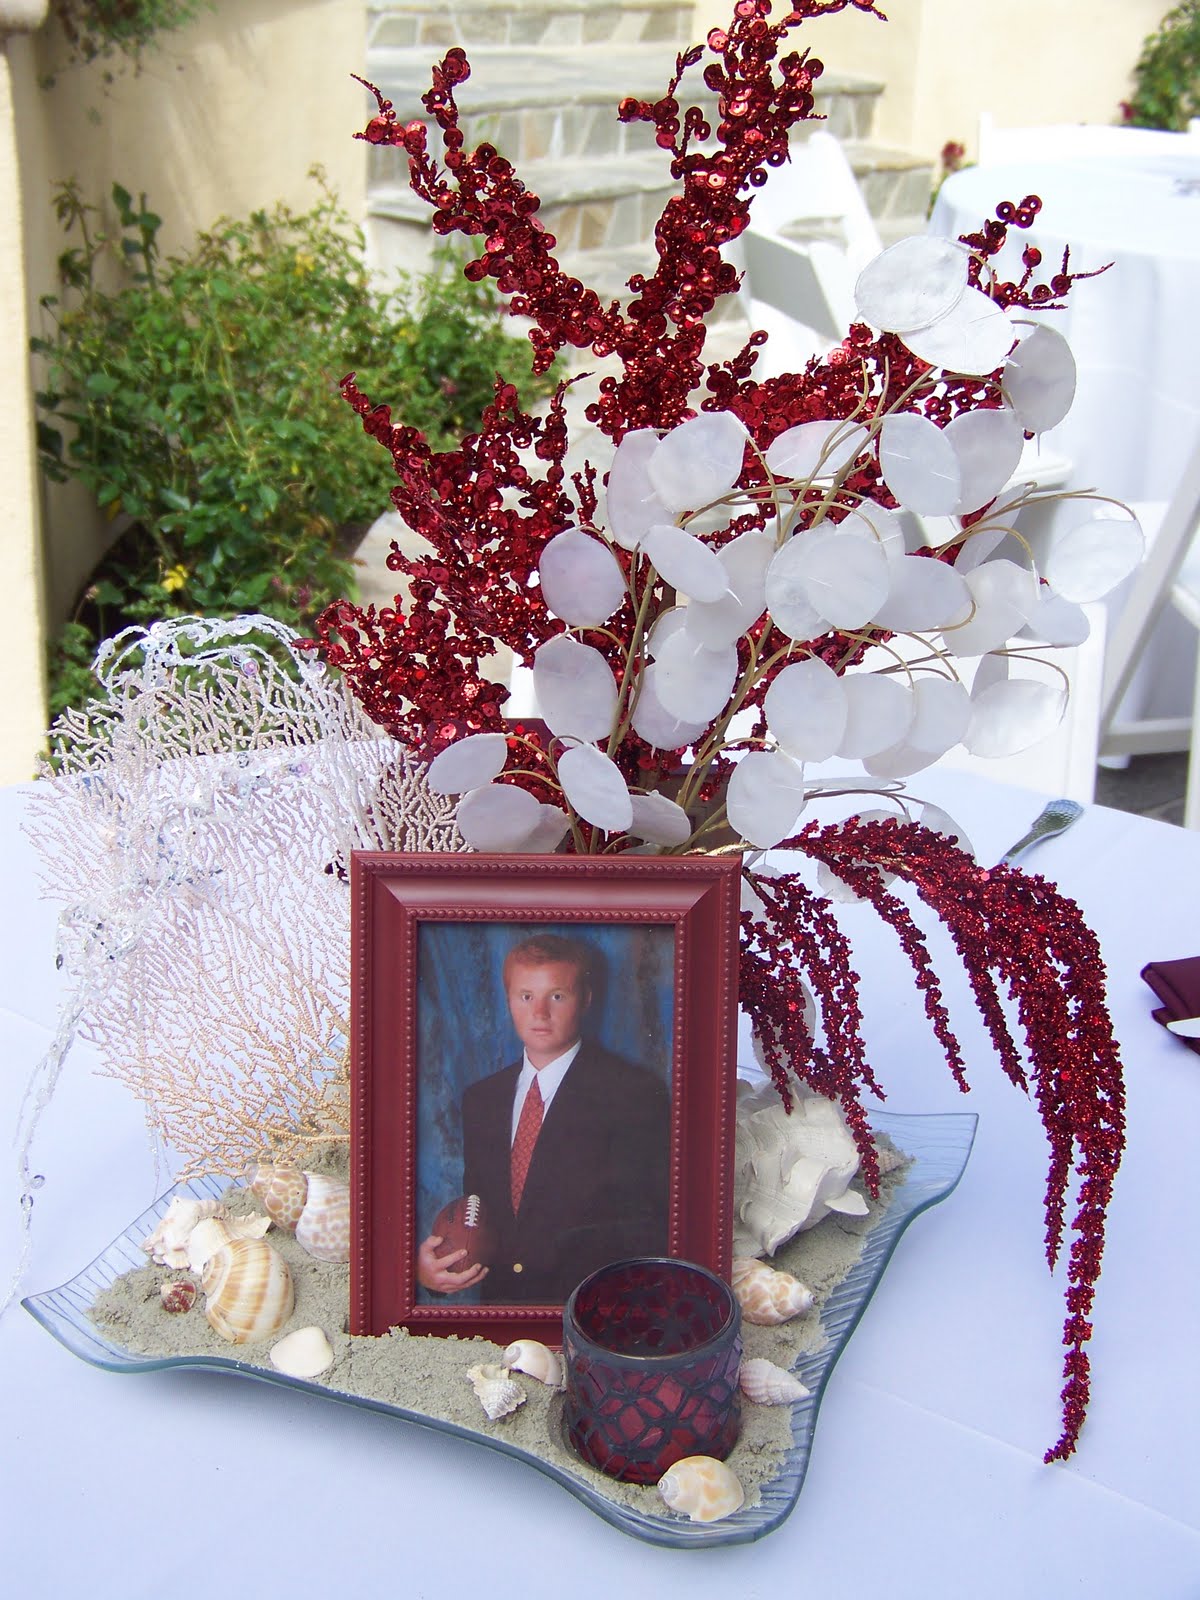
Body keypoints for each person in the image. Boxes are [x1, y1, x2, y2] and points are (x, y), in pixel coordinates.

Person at [417, 932, 670, 1303]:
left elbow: (648, 1226)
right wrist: (436, 1270)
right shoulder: (481, 1099)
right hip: (501, 1316)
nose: (539, 1013)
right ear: (508, 1000)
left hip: (592, 1314)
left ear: (584, 1000)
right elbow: (483, 1214)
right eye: (526, 996)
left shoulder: (633, 1094)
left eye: (556, 996)